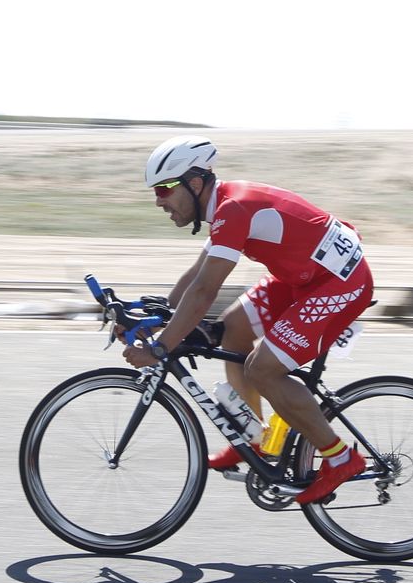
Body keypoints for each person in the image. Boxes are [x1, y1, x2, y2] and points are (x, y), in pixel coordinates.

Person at [121, 135, 374, 505]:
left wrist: (160, 347)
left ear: (194, 184)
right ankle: (253, 440)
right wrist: (152, 319)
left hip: (339, 281)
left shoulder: (233, 210)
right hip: (302, 277)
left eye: (163, 189)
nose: (158, 201)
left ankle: (339, 458)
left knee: (262, 369)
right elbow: (195, 277)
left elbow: (205, 291)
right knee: (232, 331)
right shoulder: (224, 208)